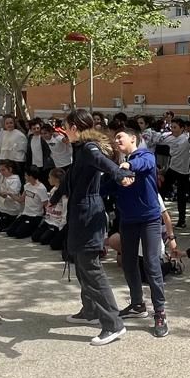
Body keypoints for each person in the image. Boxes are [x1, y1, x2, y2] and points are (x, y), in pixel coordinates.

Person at [53, 110, 133, 345]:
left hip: (89, 215)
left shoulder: (89, 149)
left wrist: (120, 174)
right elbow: (69, 178)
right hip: (80, 214)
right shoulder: (80, 148)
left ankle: (114, 324)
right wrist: (55, 197)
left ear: (76, 128)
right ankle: (90, 311)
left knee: (91, 268)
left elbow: (104, 163)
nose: (65, 132)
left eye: (66, 127)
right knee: (80, 264)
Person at [112, 129, 172, 336]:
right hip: (128, 220)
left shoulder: (144, 156)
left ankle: (160, 312)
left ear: (133, 139)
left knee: (152, 264)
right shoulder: (117, 163)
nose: (116, 140)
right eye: (115, 138)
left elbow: (144, 164)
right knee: (128, 262)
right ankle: (137, 304)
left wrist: (128, 166)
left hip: (149, 220)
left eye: (120, 137)